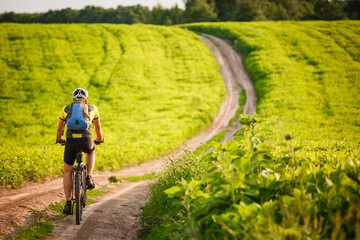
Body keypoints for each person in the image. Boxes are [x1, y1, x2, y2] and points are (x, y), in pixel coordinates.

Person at [56, 88, 104, 215]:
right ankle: (89, 176)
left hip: (71, 140)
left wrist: (60, 139)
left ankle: (67, 203)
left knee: (67, 170)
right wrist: (99, 140)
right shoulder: (92, 108)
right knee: (91, 151)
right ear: (86, 99)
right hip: (86, 138)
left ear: (73, 99)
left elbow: (60, 129)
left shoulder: (66, 109)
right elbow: (97, 127)